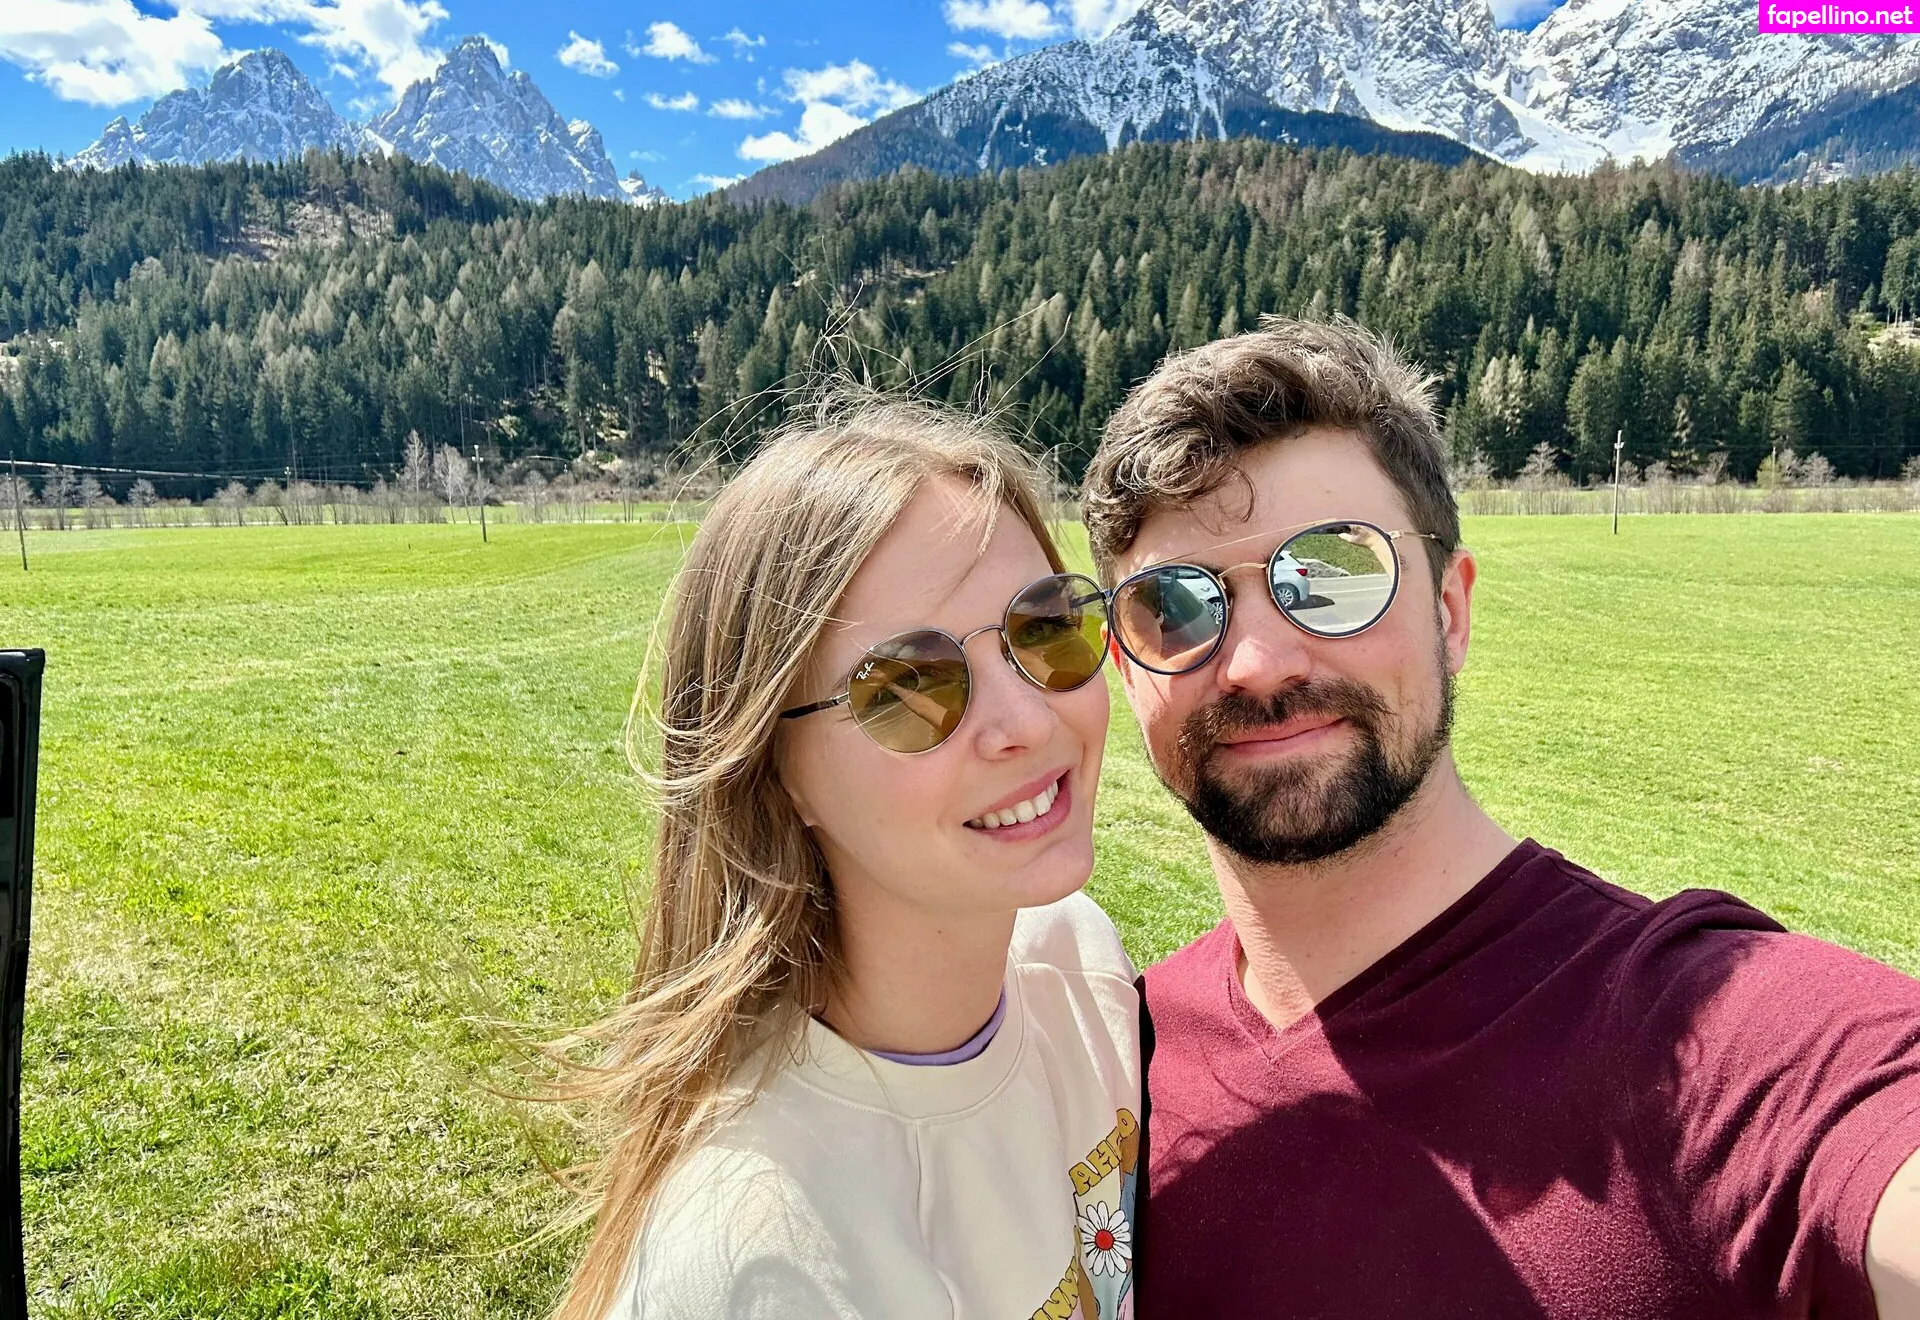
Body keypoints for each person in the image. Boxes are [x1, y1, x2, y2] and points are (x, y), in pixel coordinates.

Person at [1081, 316, 1920, 1318]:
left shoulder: (1713, 1038)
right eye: (1177, 605)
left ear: (1449, 613)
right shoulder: (1107, 1067)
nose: (1259, 663)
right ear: (1127, 666)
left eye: (1333, 574)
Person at [548, 392, 1140, 1320]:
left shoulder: (1081, 965)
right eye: (907, 688)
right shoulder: (759, 1265)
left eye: (1046, 628)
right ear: (777, 773)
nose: (1026, 720)